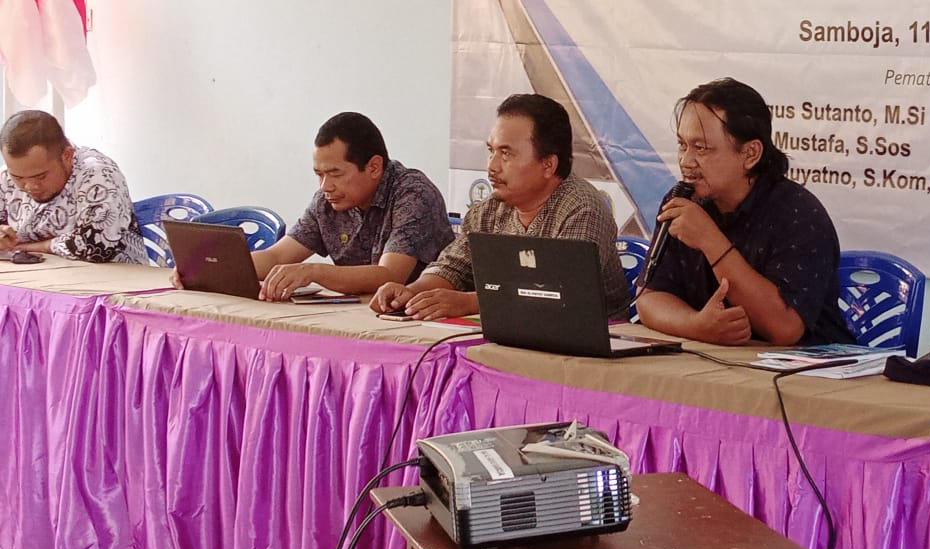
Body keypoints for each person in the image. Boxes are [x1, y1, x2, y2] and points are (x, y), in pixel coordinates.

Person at [371, 93, 630, 320]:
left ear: (548, 165)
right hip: (510, 336)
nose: (492, 166)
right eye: (491, 151)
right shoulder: (488, 211)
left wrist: (468, 303)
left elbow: (556, 293)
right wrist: (413, 292)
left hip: (589, 346)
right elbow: (453, 266)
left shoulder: (582, 209)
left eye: (506, 154)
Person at [636, 78, 853, 347]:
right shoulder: (682, 200)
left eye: (701, 148)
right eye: (682, 145)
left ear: (750, 154)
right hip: (717, 360)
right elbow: (649, 297)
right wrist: (696, 326)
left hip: (809, 365)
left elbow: (784, 329)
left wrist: (710, 240)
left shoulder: (799, 214)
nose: (685, 161)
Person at [245, 112, 455, 301]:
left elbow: (390, 275)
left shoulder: (414, 194)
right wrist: (231, 266)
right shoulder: (326, 199)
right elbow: (277, 256)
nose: (325, 186)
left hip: (419, 316)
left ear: (374, 167)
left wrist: (314, 272)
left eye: (335, 174)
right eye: (319, 175)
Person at [0, 110, 148, 264]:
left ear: (67, 156)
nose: (30, 186)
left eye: (41, 176)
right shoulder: (6, 176)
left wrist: (33, 247)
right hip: (40, 273)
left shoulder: (98, 174)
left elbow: (96, 246)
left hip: (111, 274)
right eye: (18, 177)